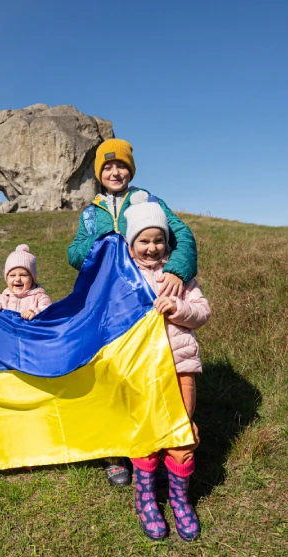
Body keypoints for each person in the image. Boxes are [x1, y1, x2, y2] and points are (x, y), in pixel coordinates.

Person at [66, 138, 199, 487]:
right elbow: (75, 253)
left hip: (145, 299)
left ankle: (155, 444)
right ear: (99, 173)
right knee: (110, 371)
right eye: (107, 167)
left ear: (131, 170)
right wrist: (103, 242)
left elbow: (183, 237)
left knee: (142, 372)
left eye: (121, 166)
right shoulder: (90, 212)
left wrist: (177, 271)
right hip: (108, 302)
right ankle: (114, 452)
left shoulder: (150, 202)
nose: (115, 172)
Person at [122, 201, 210, 541]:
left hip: (179, 368)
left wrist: (177, 307)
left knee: (181, 432)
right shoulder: (123, 277)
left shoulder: (179, 276)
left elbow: (202, 313)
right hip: (141, 371)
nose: (152, 247)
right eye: (144, 240)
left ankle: (179, 500)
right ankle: (146, 499)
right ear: (131, 243)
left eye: (159, 239)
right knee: (145, 430)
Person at [0, 244, 52, 320]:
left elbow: (48, 310)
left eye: (23, 275)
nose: (17, 279)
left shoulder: (40, 297)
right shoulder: (2, 298)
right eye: (12, 275)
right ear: (7, 278)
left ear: (32, 278)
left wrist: (35, 312)